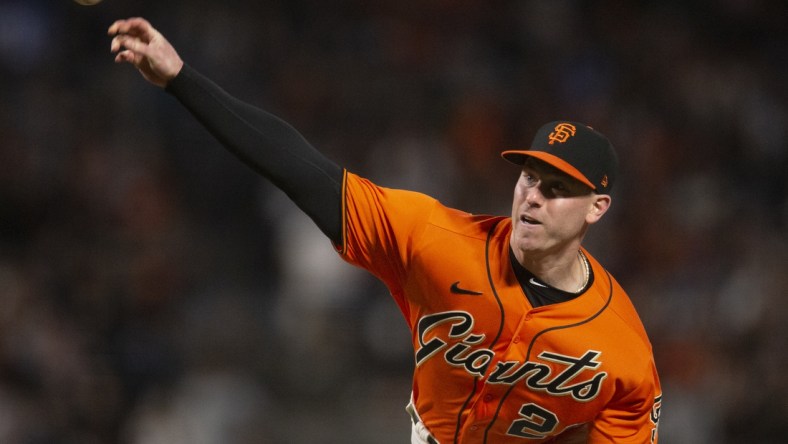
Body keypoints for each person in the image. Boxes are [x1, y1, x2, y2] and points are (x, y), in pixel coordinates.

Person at [109, 17, 662, 443]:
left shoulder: (623, 352)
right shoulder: (435, 240)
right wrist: (183, 80)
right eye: (529, 178)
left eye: (558, 188)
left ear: (597, 208)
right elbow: (302, 169)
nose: (533, 197)